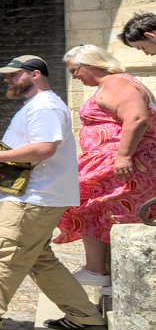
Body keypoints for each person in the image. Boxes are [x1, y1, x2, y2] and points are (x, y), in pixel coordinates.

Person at [0, 56, 105, 330]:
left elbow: (44, 148)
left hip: (35, 197)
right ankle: (85, 317)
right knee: (39, 260)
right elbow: (34, 146)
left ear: (35, 74)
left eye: (13, 74)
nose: (7, 79)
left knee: (2, 255)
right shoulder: (39, 105)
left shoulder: (46, 106)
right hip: (39, 195)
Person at [53, 45, 156, 294]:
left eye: (75, 71)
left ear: (90, 64)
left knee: (86, 203)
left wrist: (123, 156)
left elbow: (136, 118)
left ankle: (99, 271)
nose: (74, 77)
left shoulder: (117, 84)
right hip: (119, 163)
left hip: (127, 164)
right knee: (106, 212)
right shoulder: (115, 83)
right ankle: (107, 276)